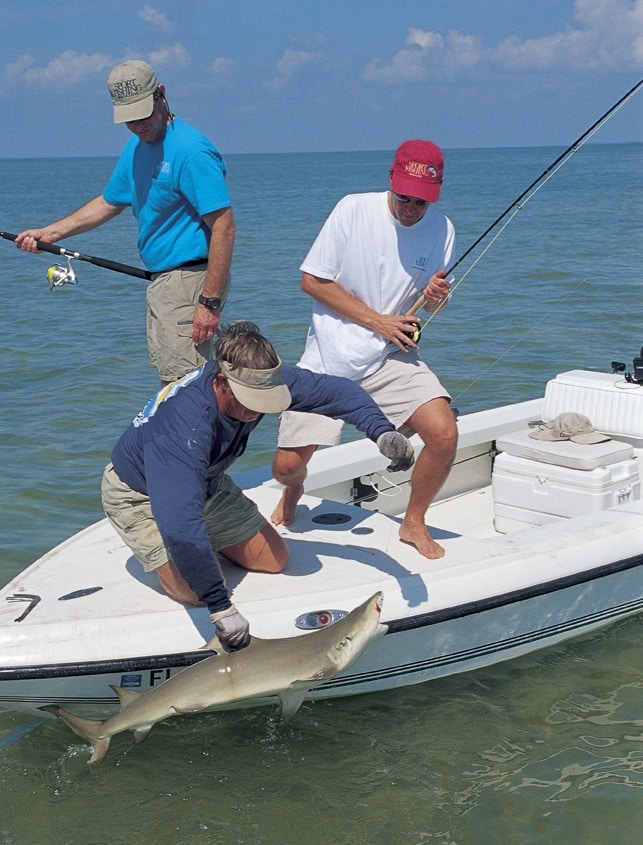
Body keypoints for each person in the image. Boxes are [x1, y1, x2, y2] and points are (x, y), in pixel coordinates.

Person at [101, 320, 414, 651]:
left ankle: (202, 543)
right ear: (221, 381)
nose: (256, 411)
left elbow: (338, 392)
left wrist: (382, 432)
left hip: (206, 482)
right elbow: (179, 526)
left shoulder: (259, 376)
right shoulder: (185, 431)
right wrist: (221, 608)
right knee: (198, 592)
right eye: (249, 400)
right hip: (140, 494)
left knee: (276, 560)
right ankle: (180, 554)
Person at [271, 139, 458, 560]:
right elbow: (312, 282)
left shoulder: (443, 229)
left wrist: (435, 297)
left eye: (421, 201)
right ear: (391, 180)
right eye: (403, 196)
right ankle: (294, 491)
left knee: (444, 433)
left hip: (390, 357)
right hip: (329, 362)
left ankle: (413, 523)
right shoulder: (352, 209)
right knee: (285, 469)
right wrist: (379, 322)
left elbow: (432, 306)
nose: (411, 207)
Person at [15, 60, 235, 385]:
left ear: (161, 95)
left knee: (186, 391)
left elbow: (225, 227)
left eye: (143, 114)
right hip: (162, 283)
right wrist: (49, 233)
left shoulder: (191, 151)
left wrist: (209, 303)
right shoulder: (136, 147)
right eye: (129, 118)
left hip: (191, 283)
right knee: (170, 385)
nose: (138, 125)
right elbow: (108, 203)